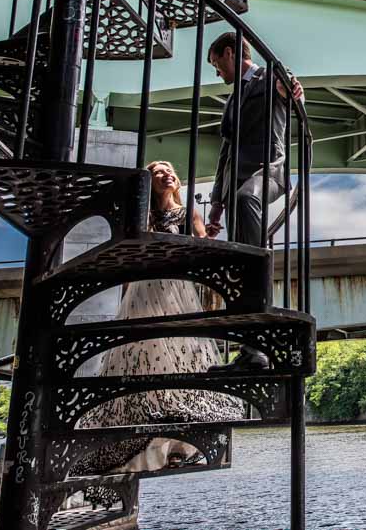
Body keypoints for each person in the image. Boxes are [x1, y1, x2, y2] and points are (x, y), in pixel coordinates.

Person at [57, 162, 248, 488]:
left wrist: (206, 243)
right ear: (150, 180)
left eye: (170, 170)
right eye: (158, 171)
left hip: (177, 289)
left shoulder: (189, 214)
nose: (166, 174)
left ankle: (177, 442)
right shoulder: (141, 215)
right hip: (143, 291)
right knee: (143, 355)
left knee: (178, 354)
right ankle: (141, 434)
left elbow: (203, 248)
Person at [205, 32, 303, 247]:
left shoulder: (271, 76)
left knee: (246, 198)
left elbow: (292, 93)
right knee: (237, 244)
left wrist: (291, 92)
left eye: (216, 63)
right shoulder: (231, 101)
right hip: (233, 183)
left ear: (229, 53)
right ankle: (245, 275)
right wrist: (216, 202)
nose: (216, 72)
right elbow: (225, 154)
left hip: (266, 170)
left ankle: (260, 263)